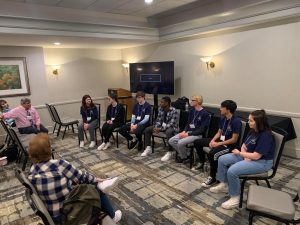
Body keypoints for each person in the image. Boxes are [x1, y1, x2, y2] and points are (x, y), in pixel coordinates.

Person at [28, 133, 122, 223]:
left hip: (54, 217)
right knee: (95, 189)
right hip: (69, 211)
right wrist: (96, 179)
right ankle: (112, 216)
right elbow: (81, 176)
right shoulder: (59, 164)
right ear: (48, 150)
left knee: (75, 181)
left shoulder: (32, 172)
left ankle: (99, 186)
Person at [210, 110, 275, 209]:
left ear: (259, 122)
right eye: (249, 120)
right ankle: (224, 185)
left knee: (232, 171)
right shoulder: (253, 130)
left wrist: (241, 154)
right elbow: (245, 145)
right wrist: (244, 155)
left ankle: (235, 198)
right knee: (222, 159)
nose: (248, 122)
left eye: (251, 121)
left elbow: (257, 156)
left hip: (262, 162)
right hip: (249, 155)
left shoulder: (265, 135)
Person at [194, 100, 241, 187]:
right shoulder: (223, 118)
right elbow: (219, 132)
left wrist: (217, 144)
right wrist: (213, 140)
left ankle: (213, 177)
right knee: (197, 142)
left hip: (230, 145)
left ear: (228, 109)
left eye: (222, 107)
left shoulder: (236, 121)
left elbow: (234, 140)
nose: (220, 109)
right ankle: (202, 162)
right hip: (221, 141)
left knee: (212, 154)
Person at [166, 95, 210, 162]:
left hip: (197, 135)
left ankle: (184, 157)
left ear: (198, 101)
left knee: (180, 143)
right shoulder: (192, 111)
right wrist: (184, 131)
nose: (190, 102)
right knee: (171, 140)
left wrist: (188, 134)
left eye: (193, 100)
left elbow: (202, 130)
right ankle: (186, 154)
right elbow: (188, 124)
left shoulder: (205, 114)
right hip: (188, 132)